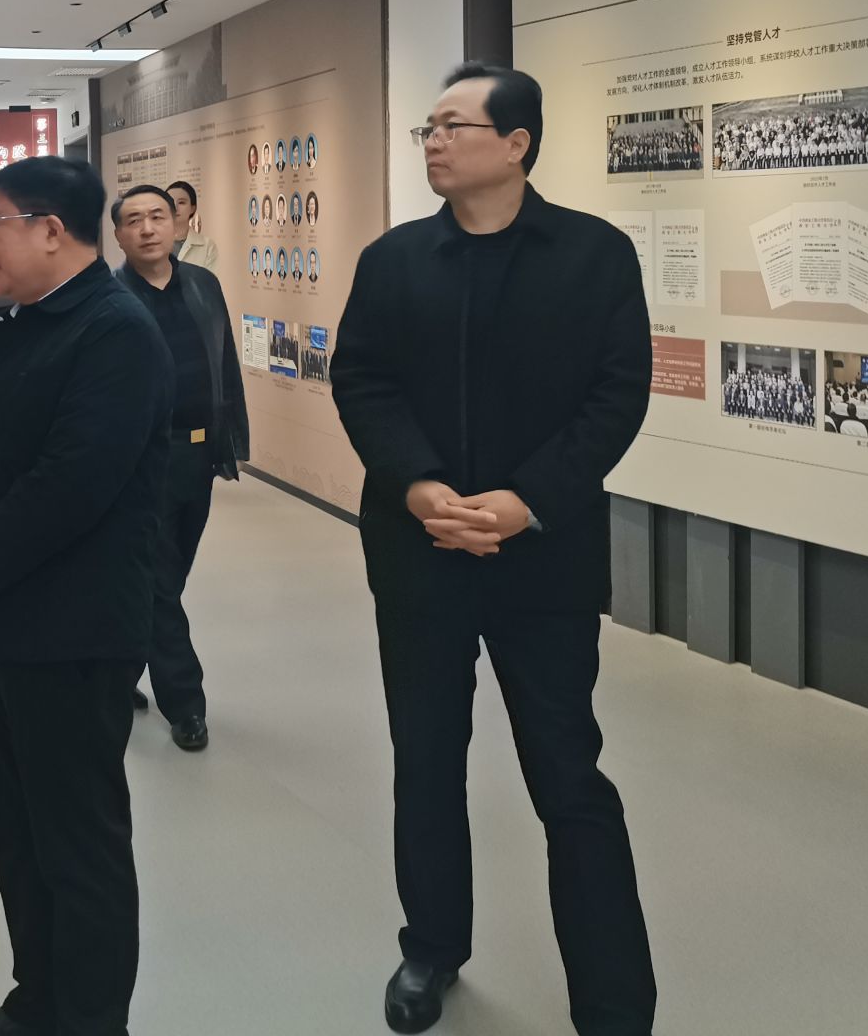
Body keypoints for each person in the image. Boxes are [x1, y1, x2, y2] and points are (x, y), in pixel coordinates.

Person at [332, 64, 656, 1036]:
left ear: (516, 144)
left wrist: (526, 502)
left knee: (568, 775)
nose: (433, 142)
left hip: (543, 559)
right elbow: (362, 381)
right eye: (426, 129)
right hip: (417, 549)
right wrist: (417, 484)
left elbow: (616, 395)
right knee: (425, 758)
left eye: (453, 126)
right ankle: (431, 945)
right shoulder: (394, 260)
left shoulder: (594, 256)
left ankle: (613, 1002)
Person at [0, 156, 172, 1036]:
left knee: (77, 844)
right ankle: (39, 1005)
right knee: (16, 830)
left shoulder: (116, 332)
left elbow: (70, 488)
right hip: (3, 626)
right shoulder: (19, 328)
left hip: (73, 633)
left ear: (51, 231)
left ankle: (90, 1021)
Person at [110, 185, 249, 751]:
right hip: (140, 461)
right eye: (134, 220)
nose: (147, 228)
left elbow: (224, 363)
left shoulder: (203, 285)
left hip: (196, 454)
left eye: (157, 217)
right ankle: (185, 702)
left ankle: (118, 670)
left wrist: (228, 440)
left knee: (166, 575)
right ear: (118, 235)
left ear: (177, 224)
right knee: (159, 582)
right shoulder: (110, 297)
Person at [166, 180, 219, 273]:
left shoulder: (207, 246)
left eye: (181, 202)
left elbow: (211, 280)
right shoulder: (152, 243)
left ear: (192, 208)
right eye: (170, 201)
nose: (175, 207)